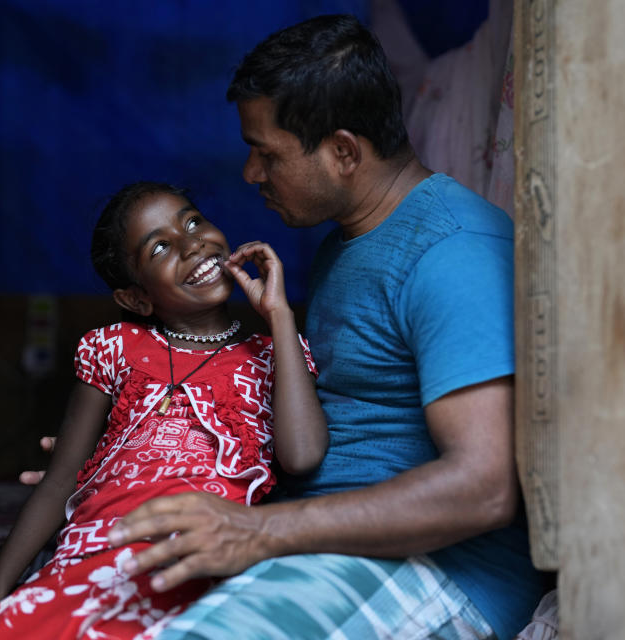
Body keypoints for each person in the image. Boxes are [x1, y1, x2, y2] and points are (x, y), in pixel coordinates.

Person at [93, 14, 544, 640]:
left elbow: (483, 488)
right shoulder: (351, 242)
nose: (251, 173)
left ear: (342, 152)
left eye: (267, 153)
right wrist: (129, 451)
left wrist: (257, 532)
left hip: (436, 572)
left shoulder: (454, 254)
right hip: (323, 545)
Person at [0, 181, 328, 638]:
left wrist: (280, 316)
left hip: (206, 546)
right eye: (161, 247)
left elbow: (302, 455)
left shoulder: (275, 353)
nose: (193, 244)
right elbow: (61, 479)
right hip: (102, 538)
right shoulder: (114, 348)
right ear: (136, 298)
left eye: (193, 221)